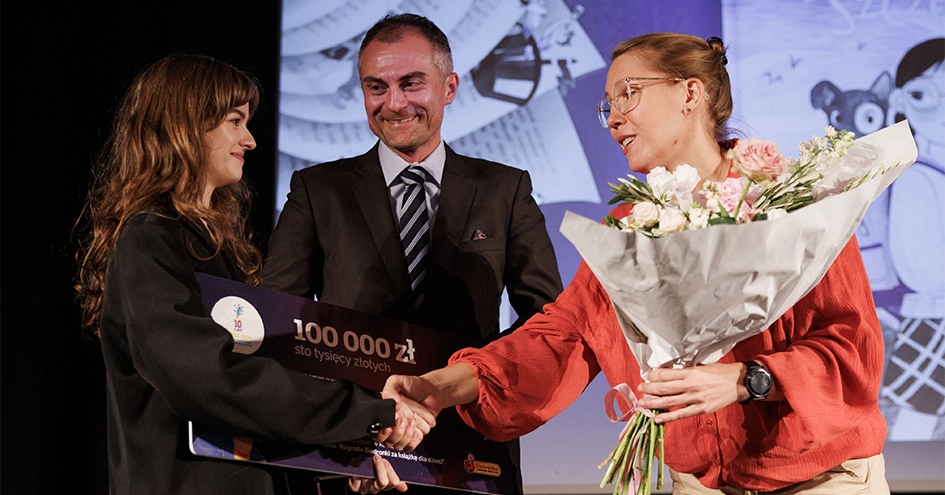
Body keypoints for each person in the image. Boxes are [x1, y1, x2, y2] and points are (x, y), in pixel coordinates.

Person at [385, 33, 890, 494]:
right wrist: (437, 387)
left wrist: (744, 379)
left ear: (690, 94)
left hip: (822, 482)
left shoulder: (791, 203)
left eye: (629, 94)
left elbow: (853, 351)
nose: (614, 119)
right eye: (608, 105)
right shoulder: (630, 230)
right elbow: (560, 338)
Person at [74, 53, 427, 495]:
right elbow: (213, 378)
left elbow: (255, 411)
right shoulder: (150, 238)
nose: (250, 140)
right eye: (235, 121)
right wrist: (365, 412)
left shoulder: (216, 249)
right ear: (186, 127)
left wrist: (346, 458)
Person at [263, 14, 563, 493]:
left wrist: (463, 383)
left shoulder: (505, 189)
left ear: (449, 87)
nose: (394, 103)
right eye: (376, 87)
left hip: (472, 455)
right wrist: (347, 435)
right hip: (358, 458)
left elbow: (546, 324)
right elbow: (277, 325)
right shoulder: (317, 191)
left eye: (411, 83)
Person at [880, 37, 945, 440]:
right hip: (932, 319)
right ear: (901, 99)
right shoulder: (917, 177)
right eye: (924, 95)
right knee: (916, 424)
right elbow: (921, 269)